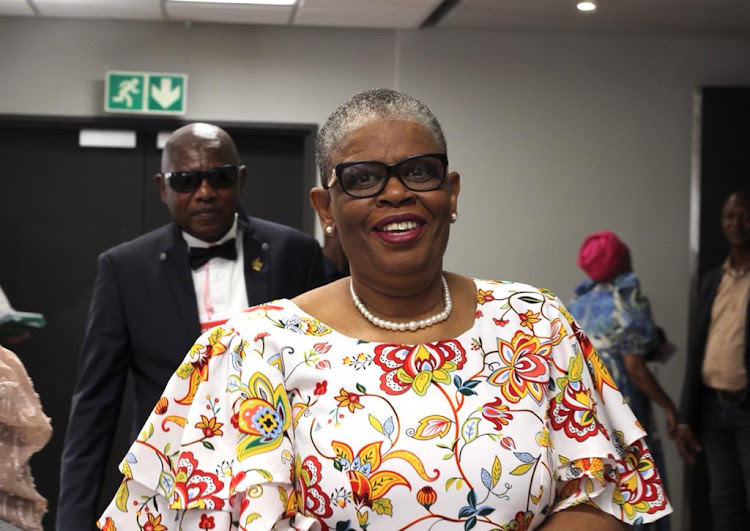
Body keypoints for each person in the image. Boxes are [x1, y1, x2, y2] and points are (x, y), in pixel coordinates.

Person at [97, 89, 671, 530]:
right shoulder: (249, 352)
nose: (395, 193)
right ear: (326, 205)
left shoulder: (537, 326)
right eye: (363, 178)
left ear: (451, 192)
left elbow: (602, 494)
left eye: (419, 171)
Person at [58, 123, 328, 530]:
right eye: (186, 180)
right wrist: (72, 521)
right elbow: (94, 408)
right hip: (171, 486)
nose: (205, 192)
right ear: (162, 187)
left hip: (278, 481)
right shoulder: (124, 269)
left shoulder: (296, 252)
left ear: (241, 180)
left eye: (219, 177)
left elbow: (327, 372)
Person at [567, 231, 679, 530]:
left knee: (603, 493)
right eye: (627, 256)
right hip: (621, 407)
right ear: (619, 261)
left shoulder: (578, 301)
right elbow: (635, 366)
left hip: (587, 412)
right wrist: (669, 407)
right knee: (636, 488)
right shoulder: (626, 295)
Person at [676, 190, 750, 529]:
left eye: (744, 215)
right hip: (712, 409)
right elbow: (697, 352)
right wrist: (686, 416)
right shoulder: (712, 281)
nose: (736, 224)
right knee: (724, 500)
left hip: (746, 407)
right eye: (729, 216)